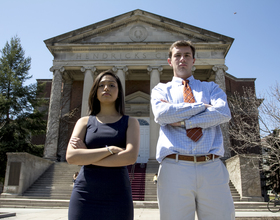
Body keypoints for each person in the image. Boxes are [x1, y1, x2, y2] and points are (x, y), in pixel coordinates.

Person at [151, 40, 235, 220]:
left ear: (193, 60)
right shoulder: (161, 89)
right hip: (175, 167)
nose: (182, 59)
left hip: (211, 165)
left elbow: (222, 113)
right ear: (170, 61)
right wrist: (202, 107)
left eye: (187, 55)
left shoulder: (211, 87)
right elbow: (162, 115)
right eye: (177, 55)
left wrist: (182, 122)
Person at [66, 70, 140, 220]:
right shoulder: (84, 122)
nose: (106, 88)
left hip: (118, 195)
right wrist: (110, 150)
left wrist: (86, 155)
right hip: (84, 194)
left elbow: (130, 157)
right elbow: (71, 157)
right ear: (95, 91)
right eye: (101, 85)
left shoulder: (131, 122)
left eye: (112, 85)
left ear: (119, 92)